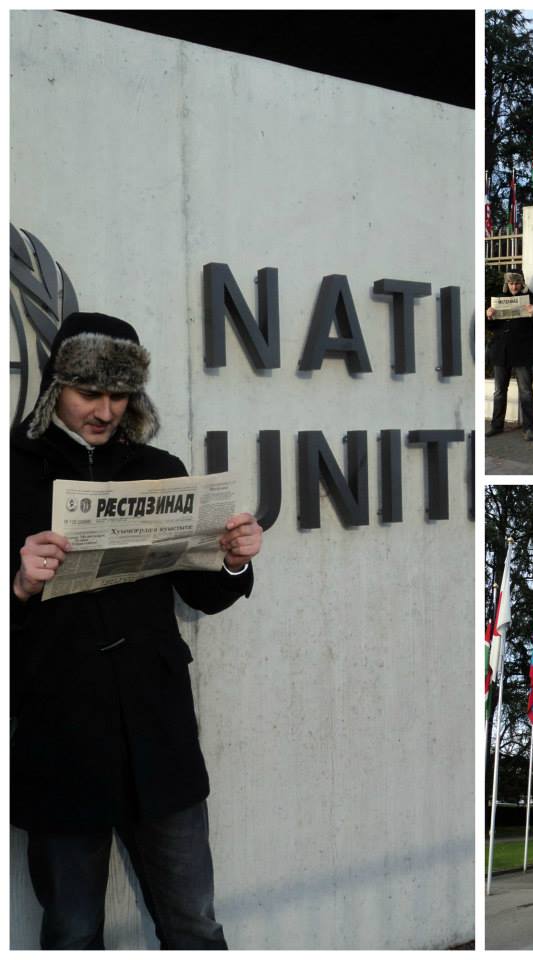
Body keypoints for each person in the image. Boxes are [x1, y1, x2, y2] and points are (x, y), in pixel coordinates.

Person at [11, 312, 264, 949]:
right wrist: (18, 585)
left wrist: (234, 558)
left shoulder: (158, 467)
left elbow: (203, 592)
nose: (104, 411)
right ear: (56, 386)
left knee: (194, 923)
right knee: (72, 932)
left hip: (158, 733)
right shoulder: (13, 471)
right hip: (60, 738)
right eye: (88, 393)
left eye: (119, 395)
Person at [485, 269, 533, 441]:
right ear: (507, 283)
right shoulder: (499, 299)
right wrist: (488, 316)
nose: (514, 287)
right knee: (499, 391)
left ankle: (529, 429)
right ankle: (496, 426)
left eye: (517, 283)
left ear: (522, 283)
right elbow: (492, 327)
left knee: (526, 391)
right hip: (501, 352)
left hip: (522, 352)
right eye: (511, 283)